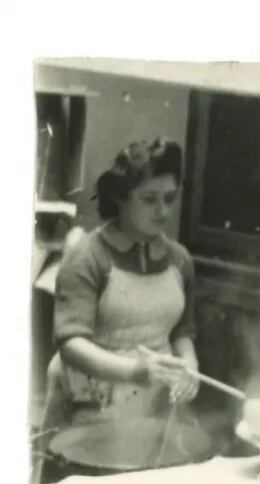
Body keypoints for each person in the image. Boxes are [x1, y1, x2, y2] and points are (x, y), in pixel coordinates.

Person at [40, 137, 199, 442]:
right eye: (149, 199)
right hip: (88, 397)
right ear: (122, 198)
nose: (163, 211)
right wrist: (134, 372)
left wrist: (189, 365)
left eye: (169, 198)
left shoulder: (179, 260)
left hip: (155, 398)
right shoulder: (88, 256)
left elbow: (182, 331)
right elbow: (71, 343)